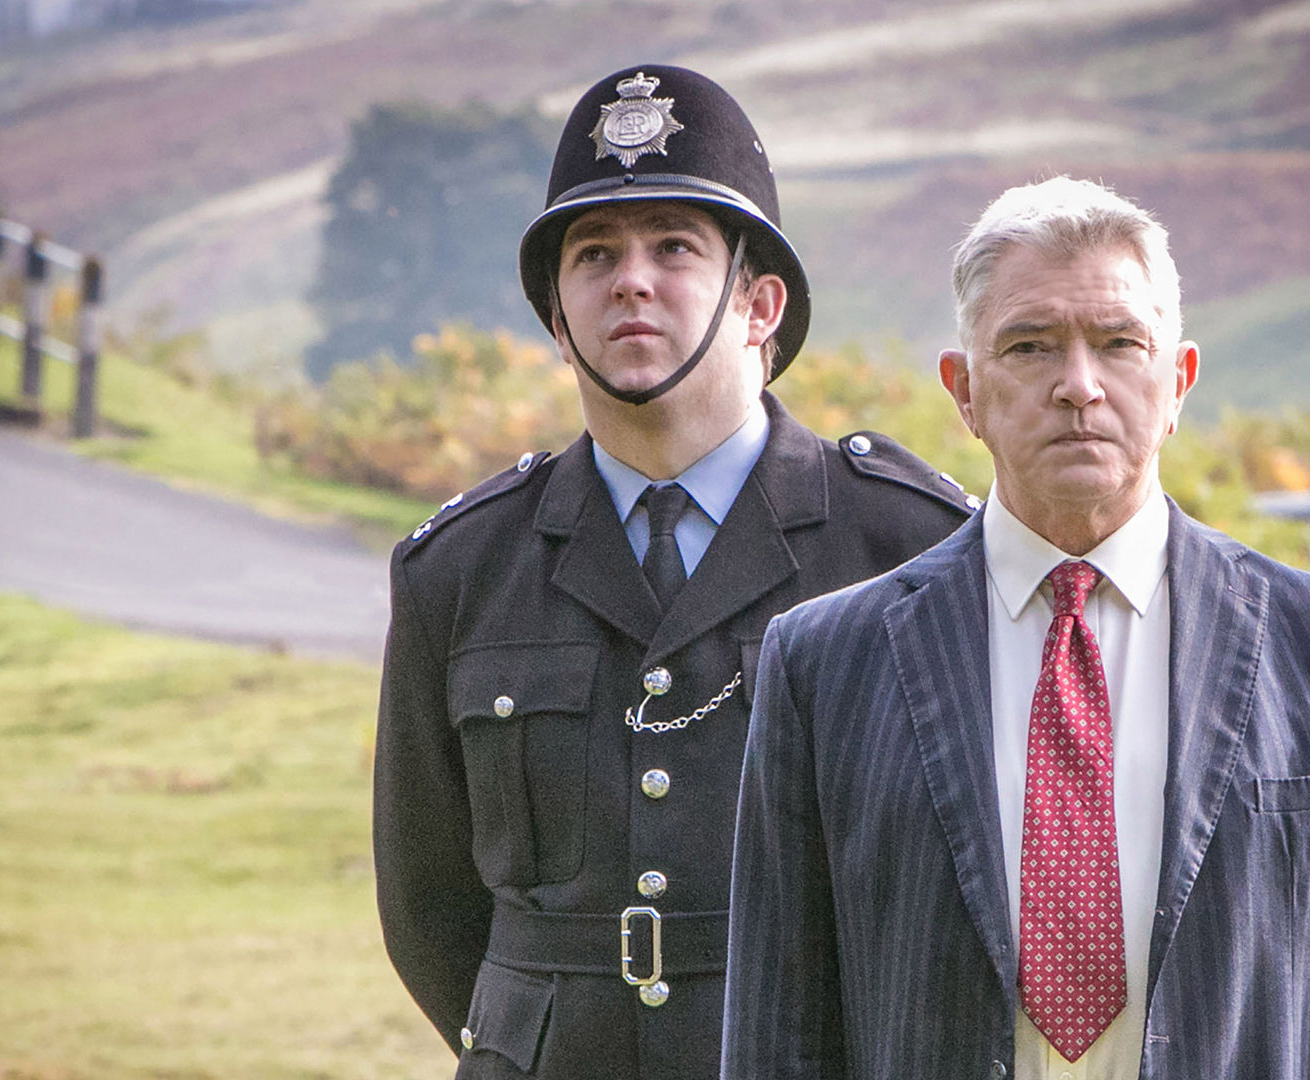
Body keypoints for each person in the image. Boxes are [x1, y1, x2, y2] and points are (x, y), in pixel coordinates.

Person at [724, 177, 1310, 1079]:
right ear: (965, 392)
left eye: (1119, 343)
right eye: (1029, 345)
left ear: (1177, 381)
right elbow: (780, 1040)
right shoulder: (824, 663)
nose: (1078, 385)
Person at [373, 65, 974, 1080]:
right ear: (557, 317)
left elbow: (964, 885)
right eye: (594, 254)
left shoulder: (909, 546)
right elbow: (426, 905)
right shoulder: (462, 567)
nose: (631, 280)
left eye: (674, 247)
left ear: (760, 304)